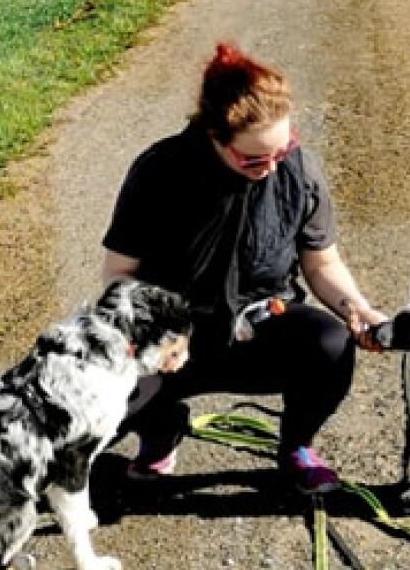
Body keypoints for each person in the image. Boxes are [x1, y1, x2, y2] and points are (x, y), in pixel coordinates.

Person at [101, 42, 385, 494]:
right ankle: (160, 430)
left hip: (259, 327)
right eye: (253, 159)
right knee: (98, 412)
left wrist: (358, 309)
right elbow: (119, 274)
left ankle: (296, 447)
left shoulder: (300, 171)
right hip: (171, 335)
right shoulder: (159, 171)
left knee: (331, 345)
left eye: (281, 151)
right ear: (214, 136)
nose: (270, 169)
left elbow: (322, 262)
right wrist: (152, 334)